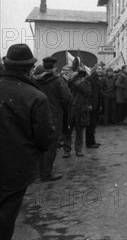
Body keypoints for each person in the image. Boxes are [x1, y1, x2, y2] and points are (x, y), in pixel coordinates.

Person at [0, 44, 55, 240]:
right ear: (29, 68)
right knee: (6, 216)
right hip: (16, 168)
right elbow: (45, 137)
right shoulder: (36, 96)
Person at [35, 57, 72, 182]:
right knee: (52, 146)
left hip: (38, 115)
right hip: (54, 116)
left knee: (40, 144)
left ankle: (39, 171)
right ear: (55, 67)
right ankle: (46, 173)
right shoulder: (58, 81)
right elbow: (67, 97)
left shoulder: (35, 80)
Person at [64, 63, 92, 157]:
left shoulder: (86, 83)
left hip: (81, 109)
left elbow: (88, 92)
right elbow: (68, 85)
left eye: (81, 76)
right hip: (72, 108)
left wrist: (78, 83)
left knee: (79, 131)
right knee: (68, 131)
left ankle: (78, 150)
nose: (80, 78)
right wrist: (73, 76)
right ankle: (67, 150)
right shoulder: (72, 82)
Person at [86, 66, 103, 149]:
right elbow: (89, 93)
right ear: (94, 70)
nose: (100, 70)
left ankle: (92, 141)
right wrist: (89, 104)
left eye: (101, 69)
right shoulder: (91, 79)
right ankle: (90, 143)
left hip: (96, 104)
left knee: (93, 124)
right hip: (92, 105)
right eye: (98, 69)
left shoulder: (96, 79)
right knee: (90, 125)